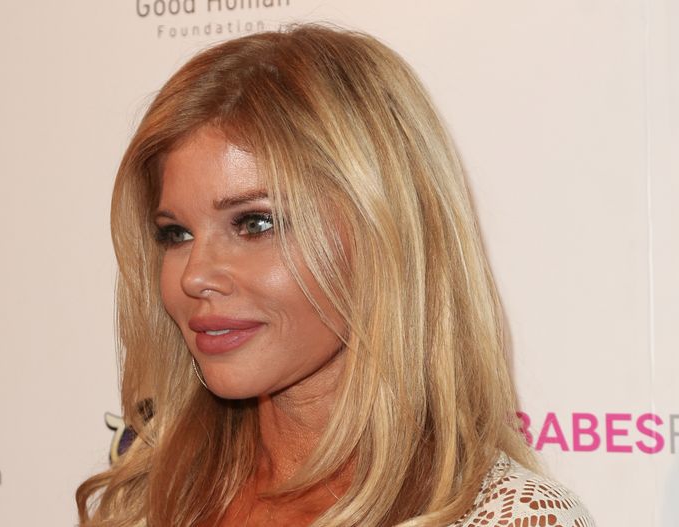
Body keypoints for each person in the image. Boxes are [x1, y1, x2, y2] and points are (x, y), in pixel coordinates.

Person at [77, 24, 594, 526]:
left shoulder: (506, 518)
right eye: (176, 234)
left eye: (255, 223)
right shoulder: (146, 499)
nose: (194, 276)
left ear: (385, 231)